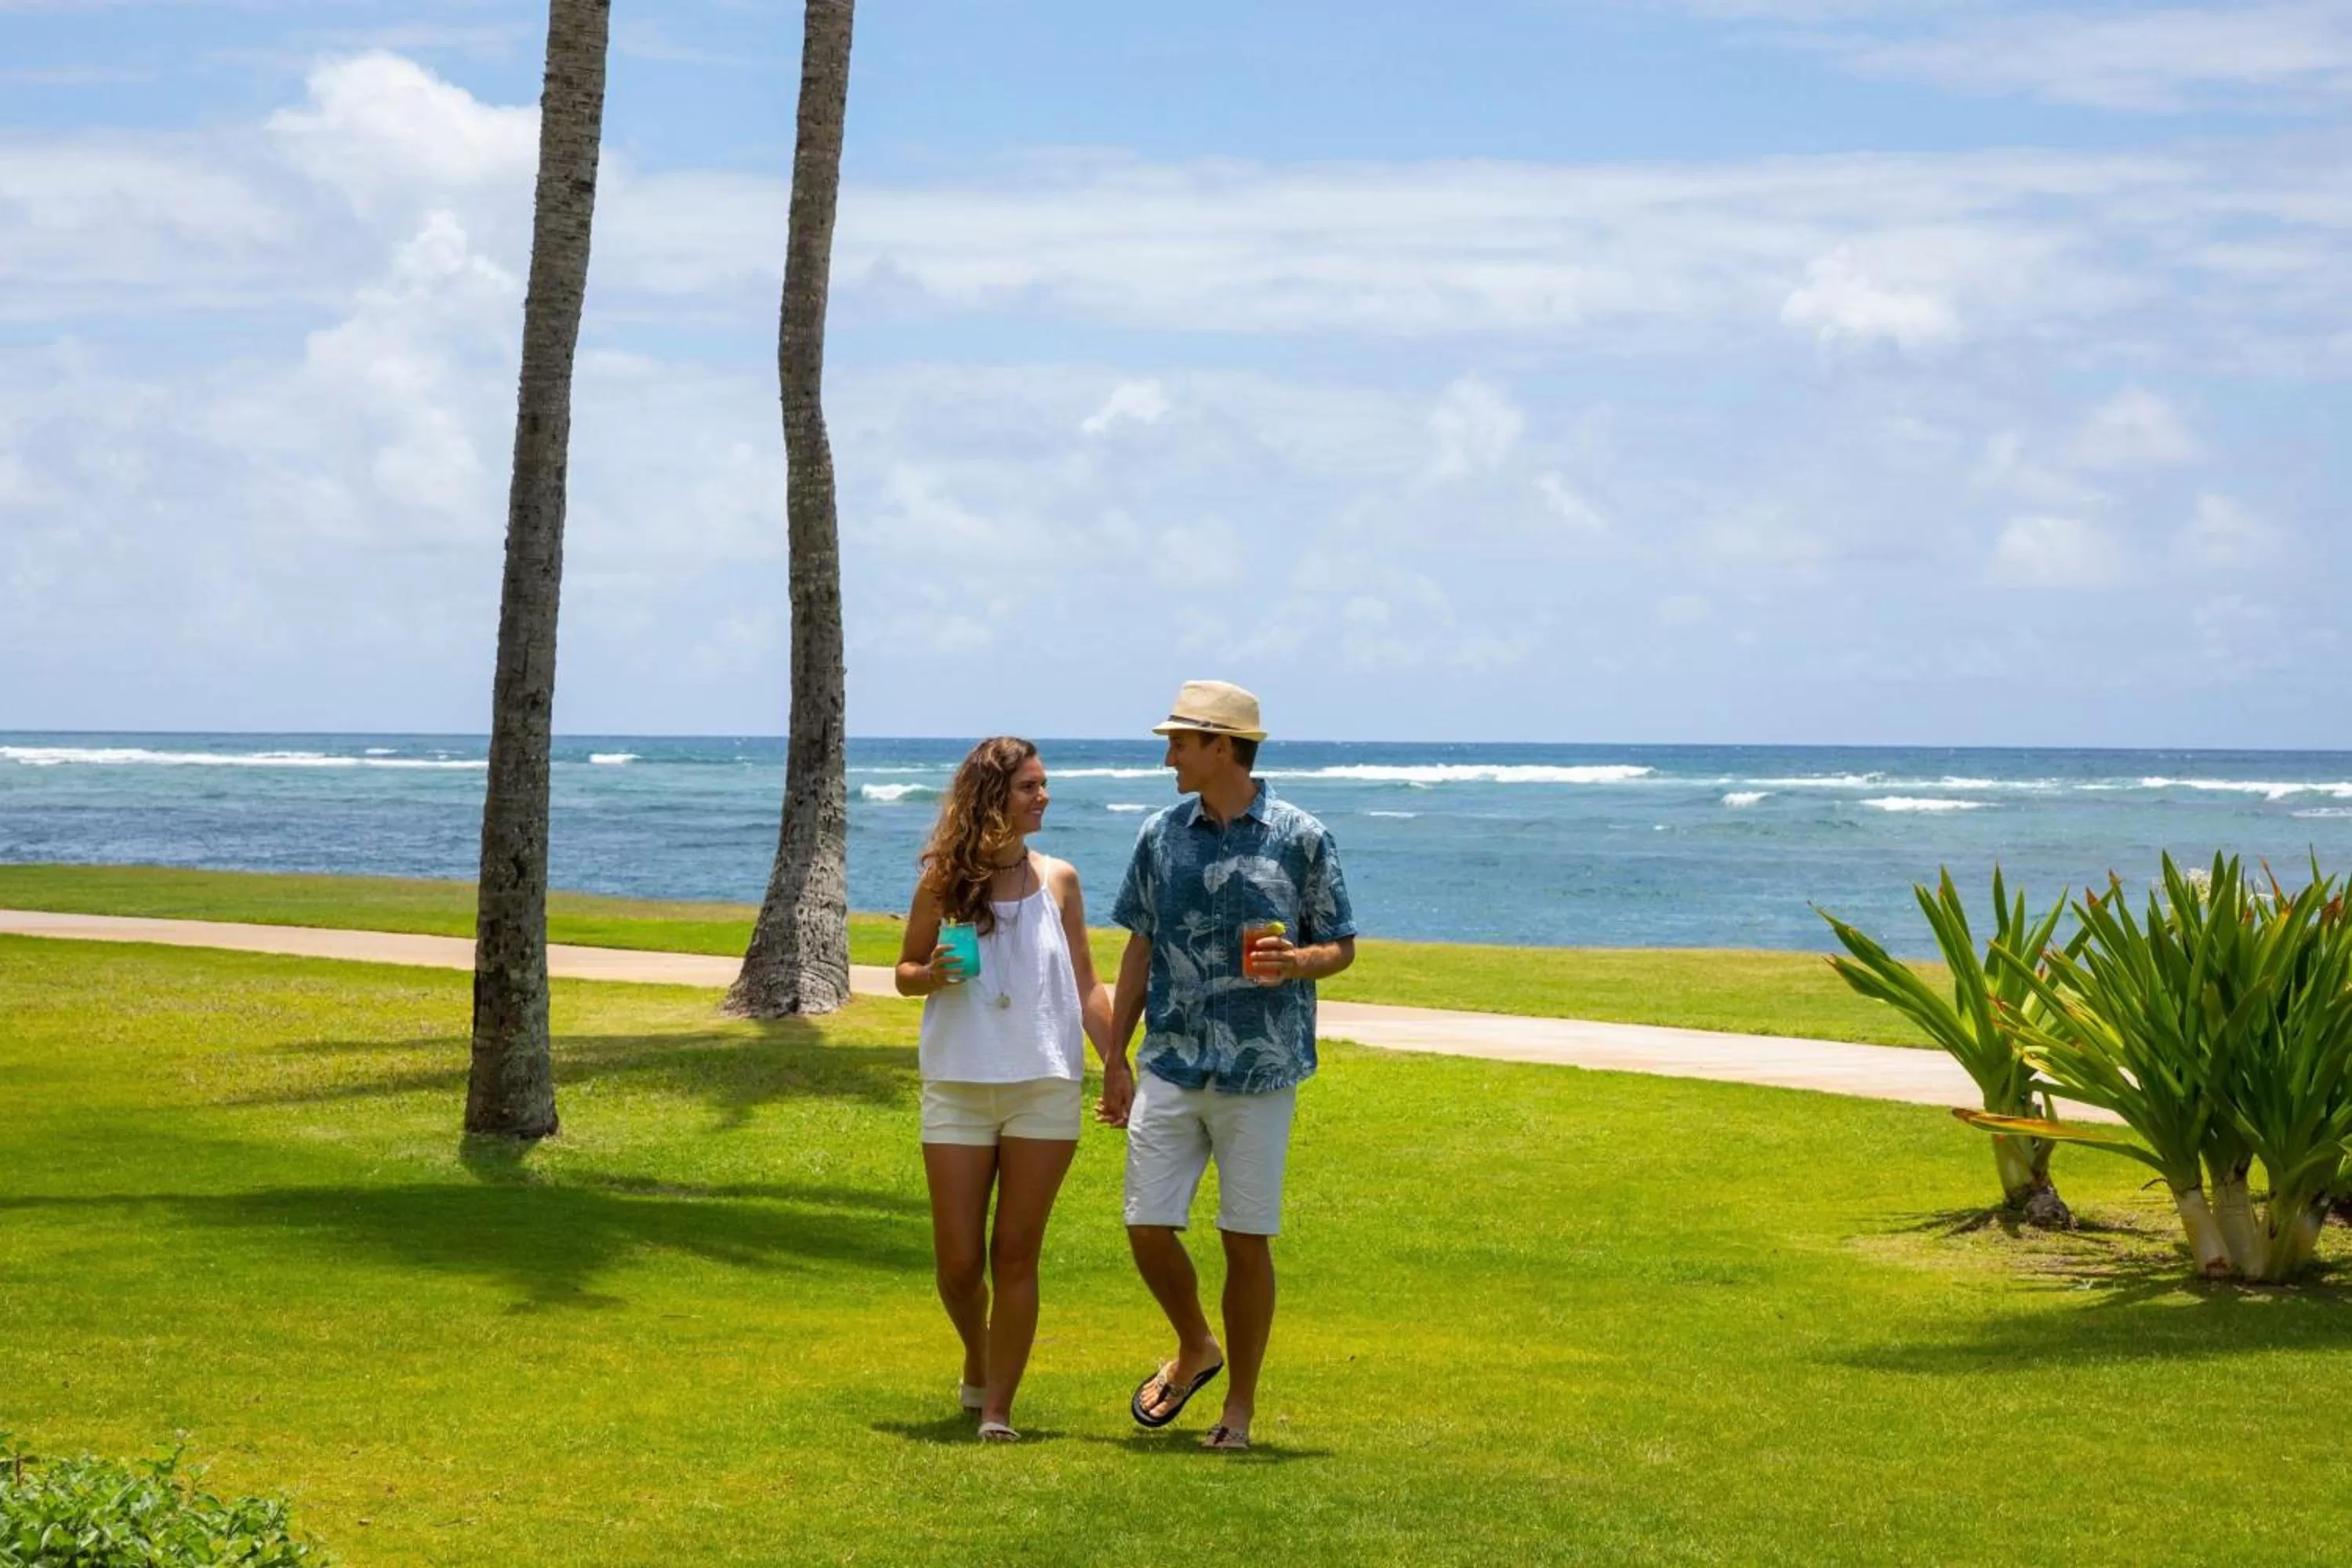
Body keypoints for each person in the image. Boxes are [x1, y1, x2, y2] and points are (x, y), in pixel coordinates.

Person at [1106, 681, 1357, 1451]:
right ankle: (1196, 1345)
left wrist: (1298, 960)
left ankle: (1238, 1410)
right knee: (1146, 1223)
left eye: (1180, 742)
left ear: (1222, 746)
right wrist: (1113, 1053)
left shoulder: (1300, 835)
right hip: (1173, 1060)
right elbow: (1140, 945)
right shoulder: (1160, 834)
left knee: (1245, 1238)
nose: (1168, 755)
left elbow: (1341, 943)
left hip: (1262, 1068)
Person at [895, 736, 1126, 1443]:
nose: (1043, 796)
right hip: (960, 1083)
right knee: (960, 1262)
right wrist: (930, 975)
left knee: (1015, 1254)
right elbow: (903, 971)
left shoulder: (1060, 879)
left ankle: (998, 1410)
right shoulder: (942, 878)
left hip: (1044, 1085)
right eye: (1029, 786)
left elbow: (1088, 984)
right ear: (992, 795)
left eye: (1044, 783)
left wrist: (1117, 1062)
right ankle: (977, 1349)